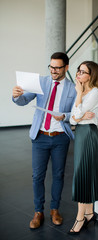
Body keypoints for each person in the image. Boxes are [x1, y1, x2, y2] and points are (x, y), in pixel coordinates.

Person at [12, 52, 76, 229]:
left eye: (57, 67)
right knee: (37, 176)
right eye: (51, 67)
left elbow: (76, 113)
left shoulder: (73, 88)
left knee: (58, 175)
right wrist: (17, 95)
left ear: (66, 67)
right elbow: (24, 100)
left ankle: (54, 209)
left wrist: (65, 116)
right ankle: (38, 211)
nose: (54, 71)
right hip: (40, 137)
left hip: (60, 138)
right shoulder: (41, 82)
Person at [68, 61, 98, 235]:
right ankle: (89, 213)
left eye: (83, 72)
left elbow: (75, 117)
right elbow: (72, 120)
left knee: (82, 175)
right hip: (82, 133)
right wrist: (80, 115)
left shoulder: (95, 92)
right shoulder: (80, 92)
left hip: (89, 135)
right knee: (83, 174)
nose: (78, 74)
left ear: (91, 75)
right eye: (78, 71)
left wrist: (79, 97)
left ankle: (80, 218)